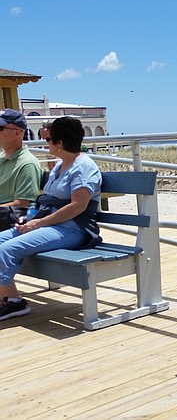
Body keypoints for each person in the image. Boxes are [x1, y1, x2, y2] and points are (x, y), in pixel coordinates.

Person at [0, 116, 102, 321]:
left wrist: (38, 222)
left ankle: (9, 302)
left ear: (60, 143)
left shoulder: (83, 167)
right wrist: (28, 219)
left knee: (6, 249)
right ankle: (12, 301)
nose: (46, 144)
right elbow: (43, 200)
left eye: (48, 140)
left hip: (74, 228)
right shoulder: (60, 165)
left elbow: (78, 206)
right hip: (51, 224)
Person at [0, 109, 43, 210]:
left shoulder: (28, 164)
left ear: (17, 133)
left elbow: (21, 204)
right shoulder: (2, 156)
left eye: (0, 128)